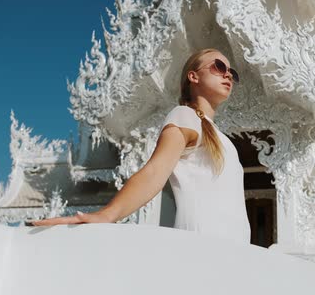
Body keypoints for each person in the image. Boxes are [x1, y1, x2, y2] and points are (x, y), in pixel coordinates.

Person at [32, 48, 251, 244]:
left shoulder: (225, 141)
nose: (228, 74)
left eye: (232, 72)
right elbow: (155, 172)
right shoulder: (184, 116)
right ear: (193, 76)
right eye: (219, 67)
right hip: (202, 243)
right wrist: (108, 214)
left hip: (235, 248)